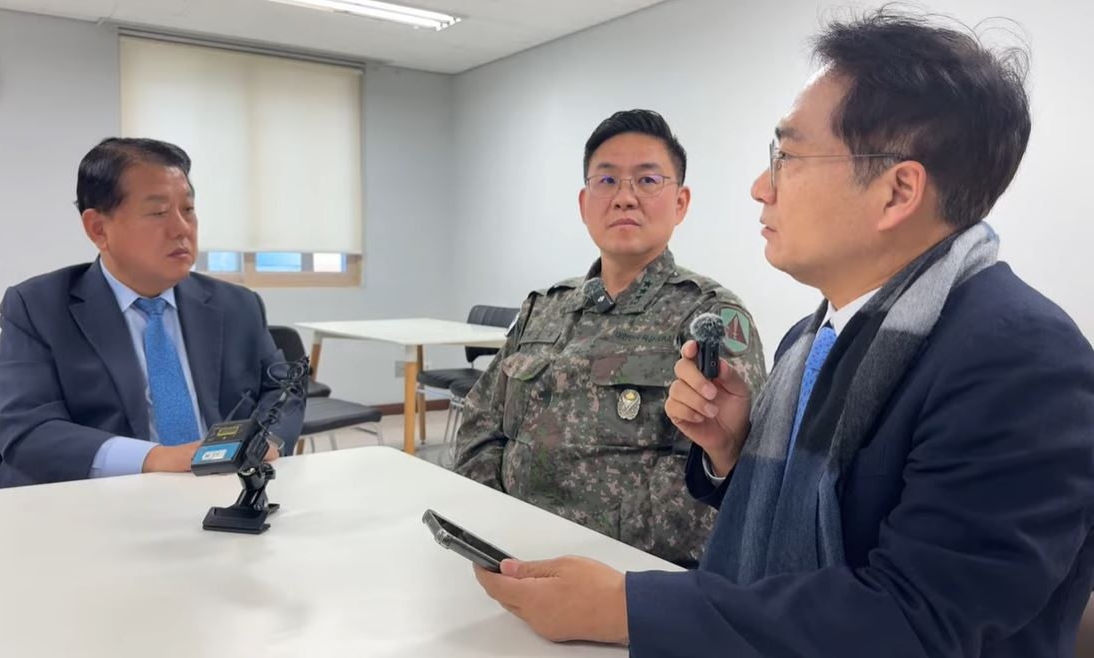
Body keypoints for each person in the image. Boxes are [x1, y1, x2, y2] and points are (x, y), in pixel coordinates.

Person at [472, 10, 1094, 657]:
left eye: (787, 155)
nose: (759, 187)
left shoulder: (1022, 363)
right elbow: (825, 513)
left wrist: (626, 607)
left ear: (896, 191)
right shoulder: (813, 336)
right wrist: (732, 451)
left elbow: (914, 621)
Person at [454, 109, 766, 566]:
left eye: (647, 181)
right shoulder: (544, 307)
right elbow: (482, 422)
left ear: (680, 203)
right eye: (607, 181)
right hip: (509, 556)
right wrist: (495, 527)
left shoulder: (709, 318)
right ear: (584, 204)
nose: (624, 198)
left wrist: (594, 560)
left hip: (626, 581)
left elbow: (726, 478)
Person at [0, 138, 303, 488]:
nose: (182, 228)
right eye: (158, 212)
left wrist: (267, 442)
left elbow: (282, 390)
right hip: (89, 500)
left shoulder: (237, 304)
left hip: (217, 491)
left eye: (188, 209)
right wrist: (156, 458)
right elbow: (28, 431)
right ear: (98, 229)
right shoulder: (38, 307)